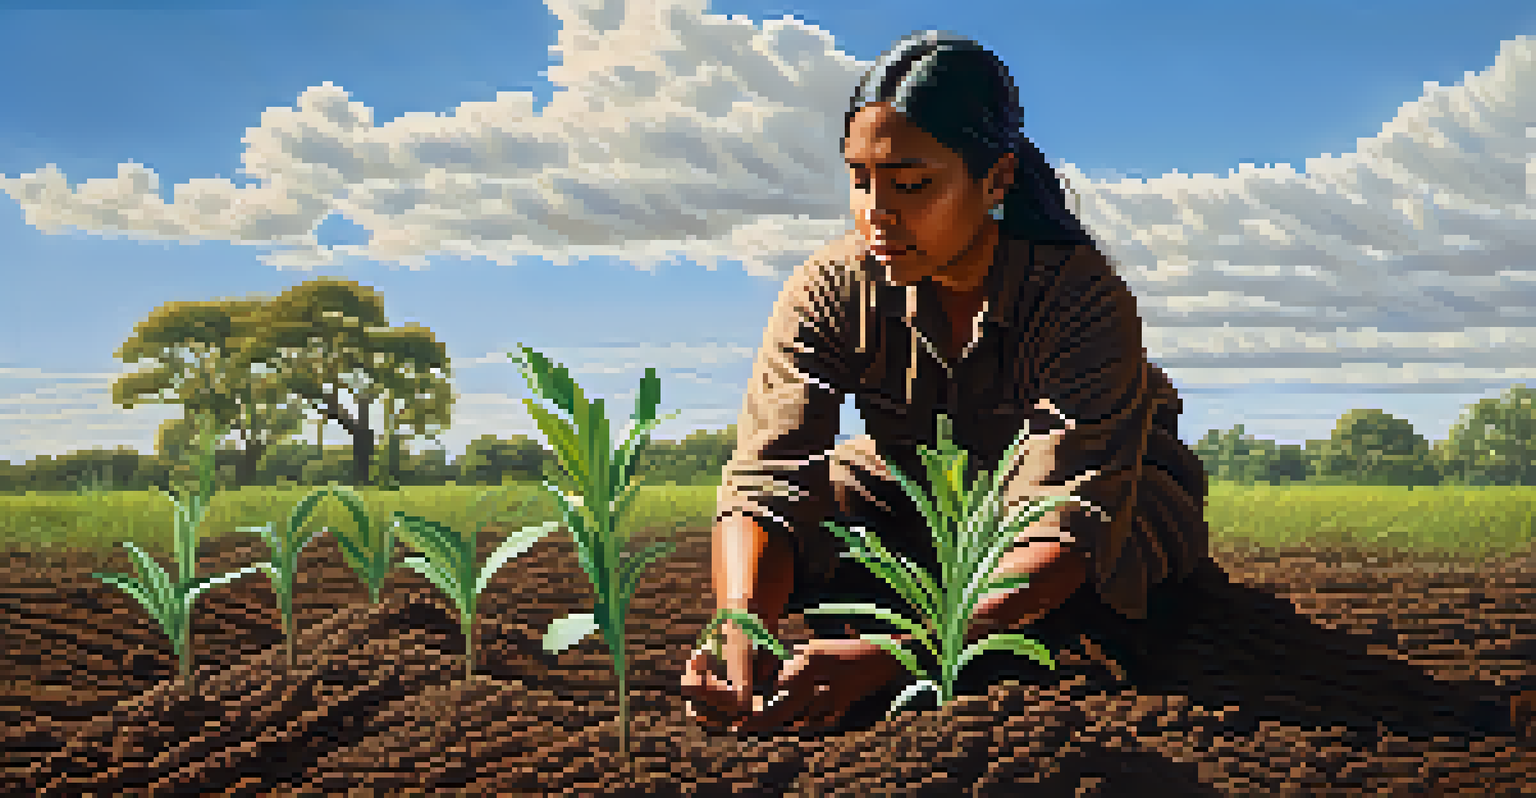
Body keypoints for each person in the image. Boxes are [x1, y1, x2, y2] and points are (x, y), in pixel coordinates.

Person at [680, 30, 1210, 735]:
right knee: (831, 491)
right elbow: (769, 474)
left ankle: (1000, 634)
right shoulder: (832, 286)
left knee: (1114, 565)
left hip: (1096, 493)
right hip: (928, 487)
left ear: (996, 180)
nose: (876, 211)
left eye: (910, 184)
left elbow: (1064, 518)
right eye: (860, 179)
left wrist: (900, 655)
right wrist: (741, 628)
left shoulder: (1082, 297)